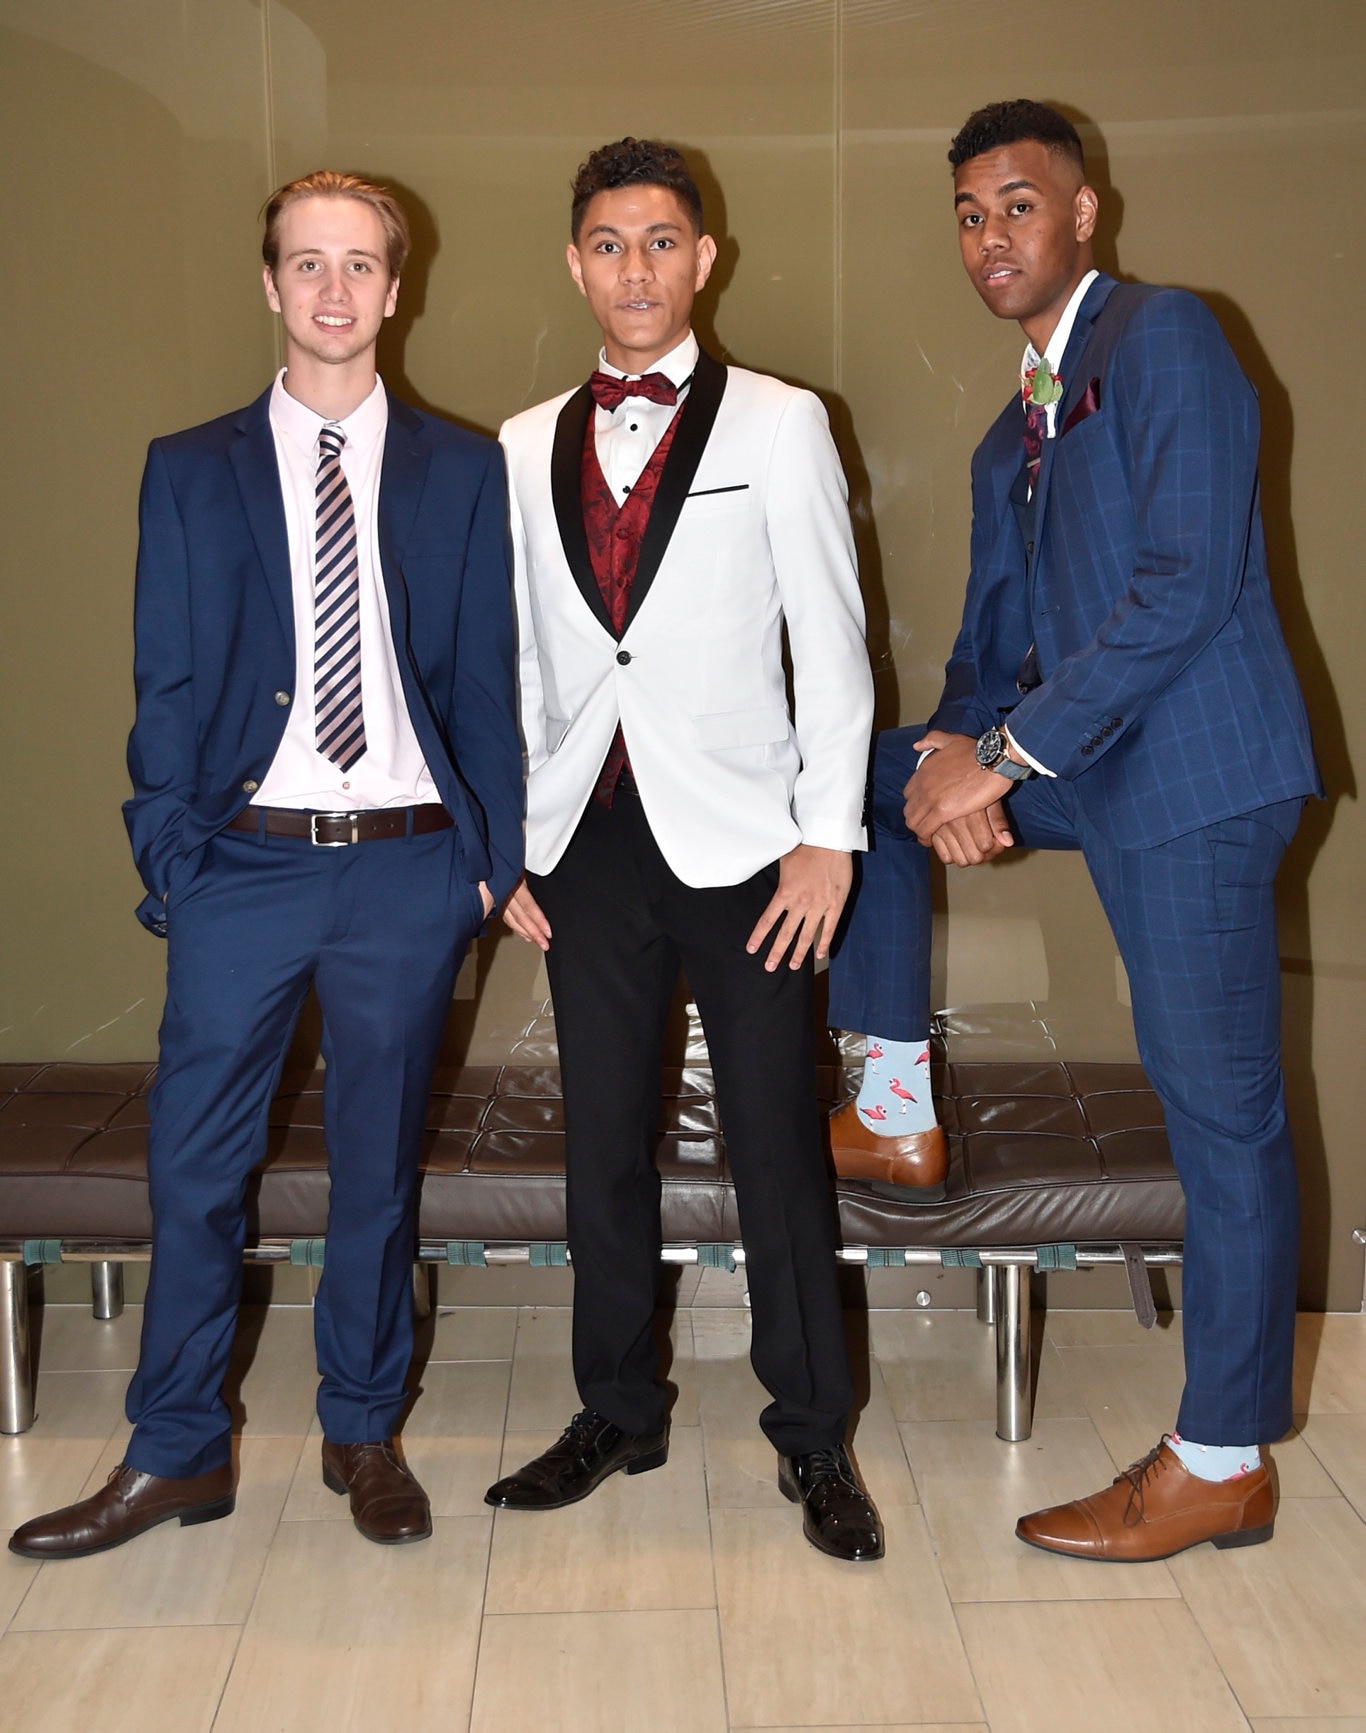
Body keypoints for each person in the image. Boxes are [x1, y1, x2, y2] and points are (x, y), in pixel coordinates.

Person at [828, 100, 1321, 1562]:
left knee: (1217, 1111)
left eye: (1018, 206)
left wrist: (999, 760)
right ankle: (894, 1107)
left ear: (1084, 212)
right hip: (1085, 763)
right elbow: (994, 649)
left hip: (1196, 781)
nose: (992, 235)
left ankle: (1222, 1456)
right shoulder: (1007, 435)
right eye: (969, 213)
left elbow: (1181, 582)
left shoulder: (1164, 338)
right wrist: (945, 759)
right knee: (851, 785)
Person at [10, 171, 522, 1560]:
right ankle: (177, 1449)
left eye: (361, 265)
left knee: (376, 1172)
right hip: (245, 865)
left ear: (396, 287)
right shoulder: (189, 466)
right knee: (194, 1168)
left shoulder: (464, 469)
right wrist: (174, 856)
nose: (337, 291)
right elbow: (163, 678)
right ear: (271, 284)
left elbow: (486, 683)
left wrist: (487, 861)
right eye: (310, 264)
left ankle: (361, 1430)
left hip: (412, 873)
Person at [488, 138, 883, 1562]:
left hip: (747, 848)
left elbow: (833, 646)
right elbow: (522, 664)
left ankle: (811, 1436)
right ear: (574, 260)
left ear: (702, 259)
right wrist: (510, 846)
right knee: (601, 1140)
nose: (634, 268)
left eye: (661, 241)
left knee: (776, 1146)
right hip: (583, 845)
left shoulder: (780, 423)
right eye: (607, 242)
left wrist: (827, 838)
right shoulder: (521, 443)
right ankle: (615, 1406)